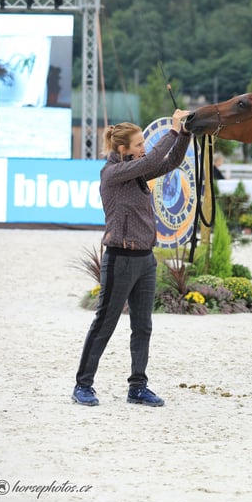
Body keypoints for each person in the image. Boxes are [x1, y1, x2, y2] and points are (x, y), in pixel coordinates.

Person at [72, 108, 193, 407]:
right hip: (120, 259)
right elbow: (153, 159)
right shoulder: (113, 173)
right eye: (139, 144)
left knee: (143, 326)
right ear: (122, 149)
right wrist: (173, 130)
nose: (144, 148)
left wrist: (185, 134)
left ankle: (137, 386)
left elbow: (172, 161)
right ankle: (82, 385)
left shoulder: (137, 170)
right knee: (105, 323)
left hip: (145, 259)